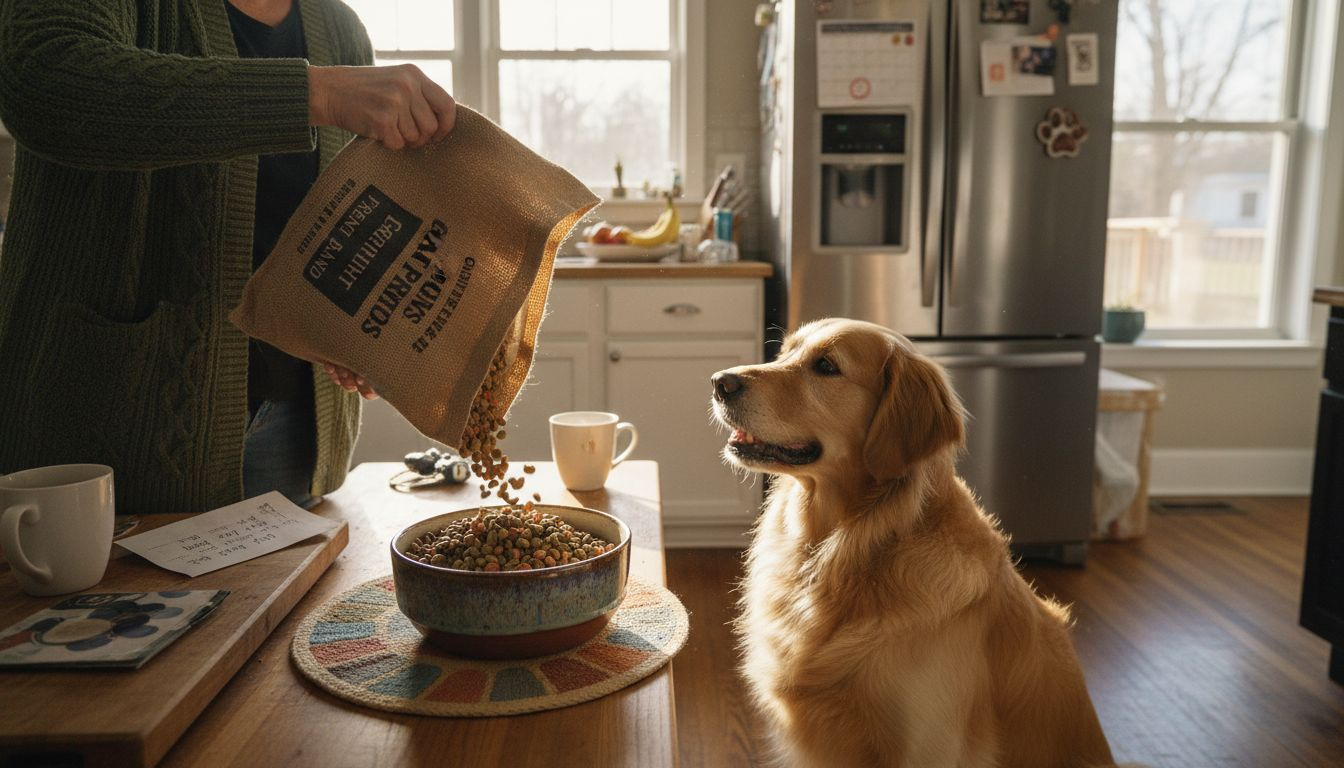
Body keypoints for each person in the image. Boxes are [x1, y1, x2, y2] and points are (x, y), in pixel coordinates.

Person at [0, 0, 455, 515]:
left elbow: (336, 216)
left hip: (297, 437)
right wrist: (315, 93)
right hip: (105, 431)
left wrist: (357, 329)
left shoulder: (336, 25)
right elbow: (44, 81)